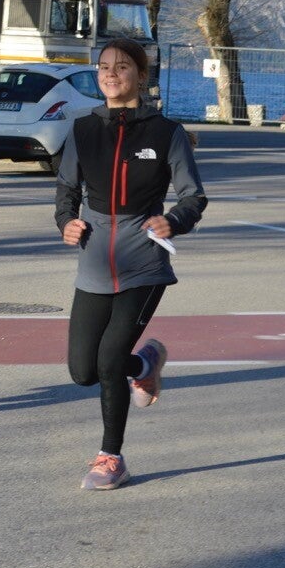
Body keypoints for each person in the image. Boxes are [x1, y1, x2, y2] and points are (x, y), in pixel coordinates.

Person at [54, 38, 207, 489]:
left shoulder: (165, 133)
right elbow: (66, 190)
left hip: (144, 262)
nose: (110, 74)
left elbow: (193, 196)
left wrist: (174, 220)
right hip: (95, 260)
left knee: (108, 360)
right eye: (104, 67)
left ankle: (110, 458)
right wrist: (66, 222)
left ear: (141, 75)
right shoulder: (83, 129)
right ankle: (145, 365)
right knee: (83, 371)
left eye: (122, 67)